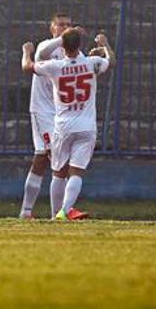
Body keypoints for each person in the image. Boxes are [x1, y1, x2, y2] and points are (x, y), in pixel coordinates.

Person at [22, 28, 114, 221]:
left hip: (63, 125)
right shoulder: (92, 63)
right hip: (87, 126)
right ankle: (64, 210)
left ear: (63, 48)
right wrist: (104, 44)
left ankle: (57, 213)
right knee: (77, 172)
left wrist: (26, 52)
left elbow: (28, 66)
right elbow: (111, 61)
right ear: (80, 45)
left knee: (58, 172)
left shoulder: (56, 66)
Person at [18, 12, 77, 219]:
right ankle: (58, 211)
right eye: (60, 25)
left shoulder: (74, 53)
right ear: (52, 28)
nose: (64, 28)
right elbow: (30, 66)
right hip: (42, 110)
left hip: (62, 112)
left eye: (68, 25)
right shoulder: (45, 48)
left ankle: (33, 212)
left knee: (45, 159)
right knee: (54, 157)